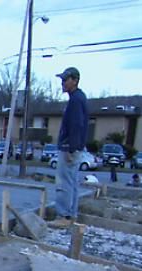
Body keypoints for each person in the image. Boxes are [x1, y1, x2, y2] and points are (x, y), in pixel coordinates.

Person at [50, 67, 89, 228]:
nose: (62, 83)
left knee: (64, 182)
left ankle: (64, 215)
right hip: (74, 146)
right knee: (71, 182)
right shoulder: (79, 98)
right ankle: (70, 215)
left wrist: (71, 148)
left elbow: (76, 125)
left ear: (74, 80)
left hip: (69, 148)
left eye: (65, 80)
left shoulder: (75, 100)